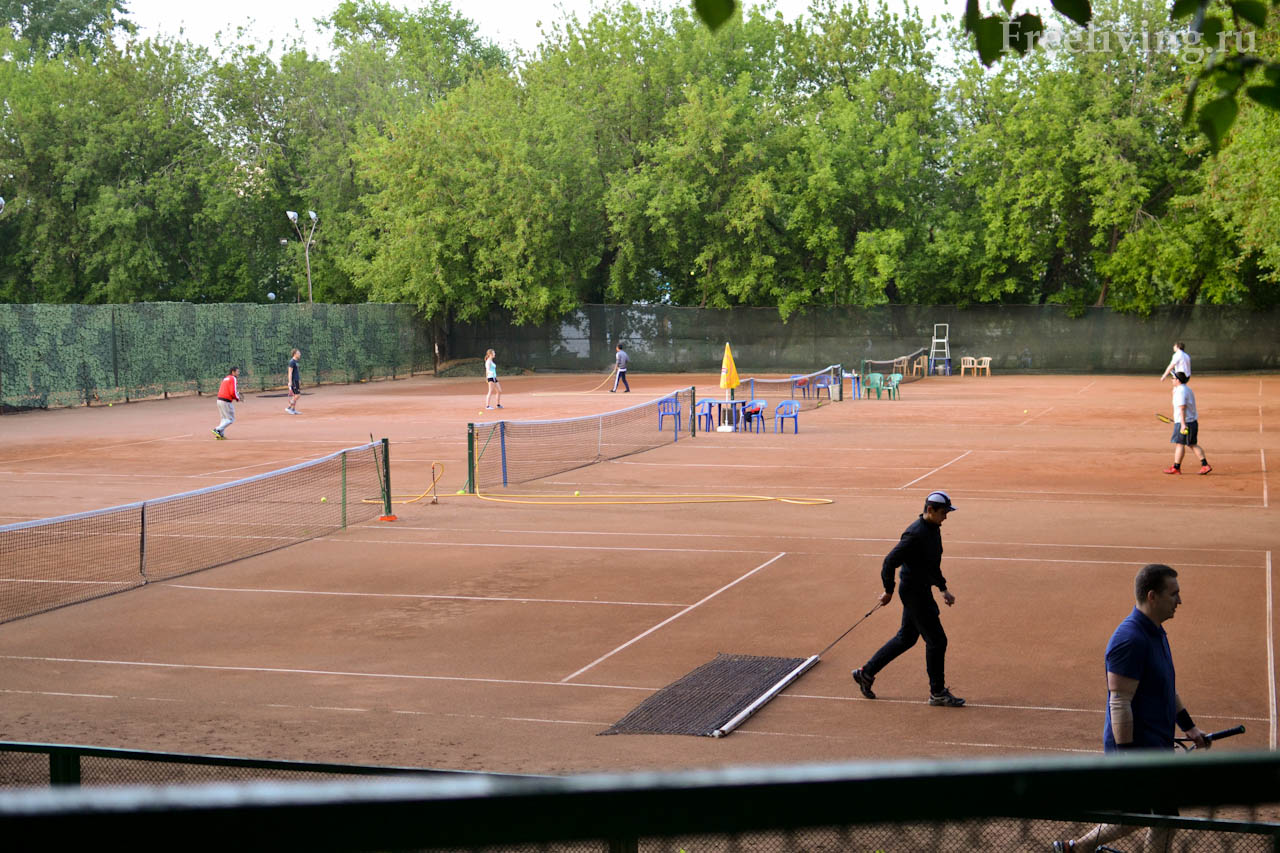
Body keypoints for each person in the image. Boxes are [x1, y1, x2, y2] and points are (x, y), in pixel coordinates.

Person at [1053, 564, 1208, 853]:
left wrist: (1190, 727)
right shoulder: (1130, 639)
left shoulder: (1156, 632)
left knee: (1134, 816)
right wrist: (1127, 759)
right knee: (1165, 817)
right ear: (1152, 596)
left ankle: (1074, 848)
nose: (1180, 601)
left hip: (1154, 745)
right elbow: (1119, 701)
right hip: (1135, 749)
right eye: (1174, 594)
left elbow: (1166, 687)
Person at [851, 490, 964, 707]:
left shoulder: (933, 528)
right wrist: (888, 591)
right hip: (914, 593)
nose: (946, 517)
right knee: (937, 641)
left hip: (921, 590)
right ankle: (937, 693)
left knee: (907, 638)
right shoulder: (915, 534)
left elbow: (931, 564)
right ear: (930, 510)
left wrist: (942, 588)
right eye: (943, 512)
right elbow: (889, 562)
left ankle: (866, 673)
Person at [1164, 371, 1210, 475]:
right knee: (1189, 444)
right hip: (1189, 421)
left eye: (1173, 378)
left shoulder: (1181, 391)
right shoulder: (1185, 389)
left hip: (1185, 422)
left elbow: (1182, 408)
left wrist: (1183, 424)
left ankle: (1177, 467)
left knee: (1182, 444)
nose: (1171, 380)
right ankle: (1203, 465)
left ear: (1178, 380)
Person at [212, 366, 242, 440]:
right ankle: (217, 429)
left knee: (224, 419)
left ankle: (220, 434)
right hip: (226, 401)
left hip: (219, 400)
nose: (238, 373)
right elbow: (233, 392)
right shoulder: (233, 378)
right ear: (233, 372)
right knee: (230, 419)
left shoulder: (226, 378)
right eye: (237, 371)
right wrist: (237, 398)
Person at [285, 349, 302, 415]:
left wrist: (299, 380)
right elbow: (290, 373)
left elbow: (296, 372)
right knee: (298, 395)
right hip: (293, 381)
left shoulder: (296, 362)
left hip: (296, 380)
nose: (300, 354)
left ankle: (293, 409)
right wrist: (290, 382)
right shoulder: (291, 362)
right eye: (298, 353)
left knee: (295, 395)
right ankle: (289, 407)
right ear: (295, 354)